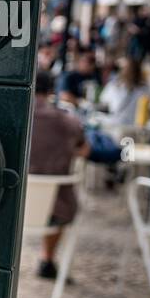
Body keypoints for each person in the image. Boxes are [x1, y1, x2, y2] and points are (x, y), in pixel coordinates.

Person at [29, 70, 89, 280]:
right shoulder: (68, 122)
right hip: (52, 210)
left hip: (10, 205)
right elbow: (85, 150)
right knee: (58, 198)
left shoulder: (13, 116)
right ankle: (47, 258)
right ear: (51, 91)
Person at [99, 56, 149, 129]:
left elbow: (103, 104)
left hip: (120, 126)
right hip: (125, 126)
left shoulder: (114, 86)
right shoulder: (144, 89)